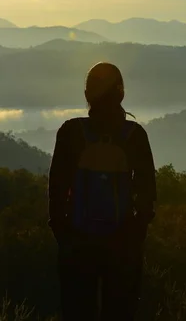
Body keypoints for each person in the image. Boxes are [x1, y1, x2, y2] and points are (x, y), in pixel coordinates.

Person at [48, 62, 157, 321]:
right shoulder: (134, 136)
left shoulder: (71, 132)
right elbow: (147, 194)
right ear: (121, 94)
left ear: (87, 95)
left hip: (77, 242)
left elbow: (56, 188)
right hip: (122, 245)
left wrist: (64, 234)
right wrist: (134, 236)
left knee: (77, 312)